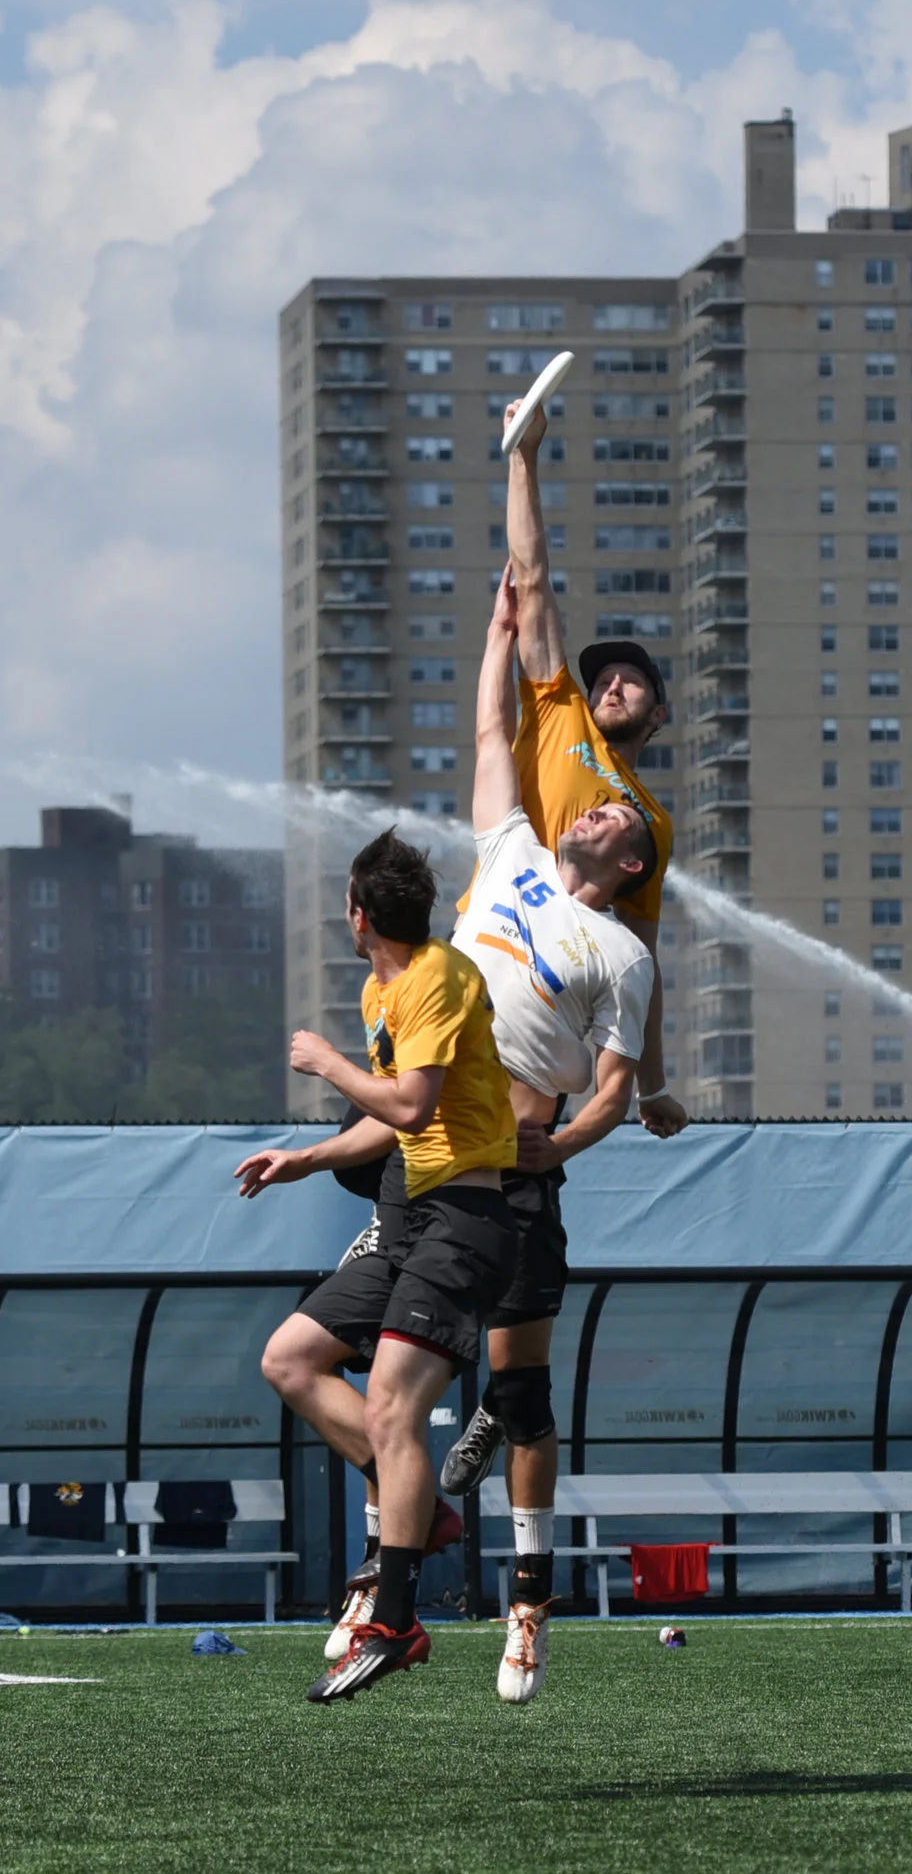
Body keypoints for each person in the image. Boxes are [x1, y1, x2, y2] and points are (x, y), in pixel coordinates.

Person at [247, 572, 659, 1701]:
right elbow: (491, 727)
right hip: (414, 1165)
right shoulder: (515, 853)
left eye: (619, 815)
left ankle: (521, 1608)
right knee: (309, 1364)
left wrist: (560, 1148)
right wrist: (496, 635)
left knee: (518, 1400)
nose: (597, 806)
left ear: (632, 865)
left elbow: (616, 1091)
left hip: (501, 1175)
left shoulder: (622, 954)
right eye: (597, 803)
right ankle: (409, 1520)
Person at [242, 829, 520, 1702]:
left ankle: (394, 1622)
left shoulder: (436, 975)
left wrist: (326, 1062)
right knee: (290, 1357)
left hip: (466, 1218)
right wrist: (309, 1157)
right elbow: (394, 1119)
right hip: (408, 1219)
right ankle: (420, 1507)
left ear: (359, 916)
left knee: (396, 1407)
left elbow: (410, 1099)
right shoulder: (381, 987)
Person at [499, 386, 685, 1140]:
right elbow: (532, 578)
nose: (609, 682)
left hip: (550, 1013)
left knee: (513, 1174)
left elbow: (641, 960)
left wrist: (655, 1084)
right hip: (494, 945)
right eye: (602, 674)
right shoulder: (557, 708)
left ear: (659, 712)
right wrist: (524, 458)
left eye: (630, 677)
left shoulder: (650, 825)